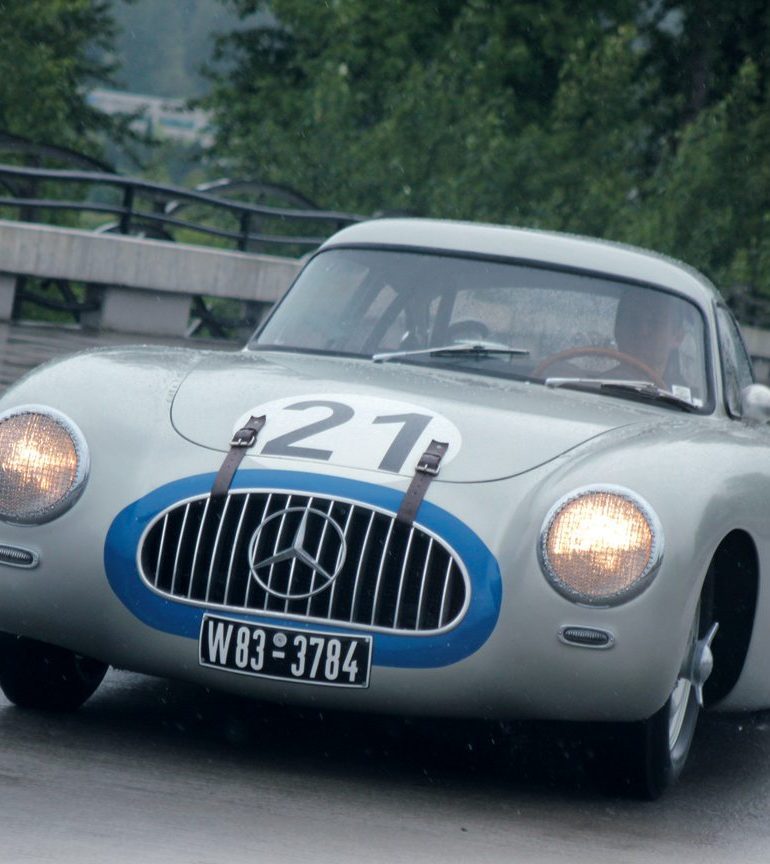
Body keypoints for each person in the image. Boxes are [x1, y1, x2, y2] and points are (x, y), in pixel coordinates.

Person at [613, 289, 685, 387]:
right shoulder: (591, 387)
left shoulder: (683, 401)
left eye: (655, 322)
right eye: (633, 319)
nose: (642, 331)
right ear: (617, 329)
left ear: (678, 337)